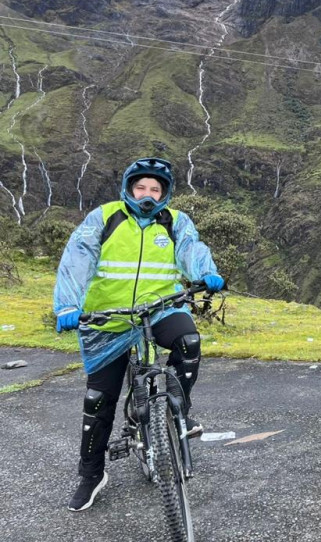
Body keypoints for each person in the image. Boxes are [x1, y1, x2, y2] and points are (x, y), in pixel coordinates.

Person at [53, 157, 225, 512]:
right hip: (109, 319)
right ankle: (91, 475)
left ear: (165, 194)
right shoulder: (105, 218)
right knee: (98, 400)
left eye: (156, 189)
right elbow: (77, 258)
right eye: (141, 187)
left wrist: (206, 271)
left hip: (162, 307)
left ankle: (180, 411)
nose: (148, 195)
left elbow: (191, 249)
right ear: (129, 189)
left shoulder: (175, 221)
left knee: (189, 342)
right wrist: (68, 305)